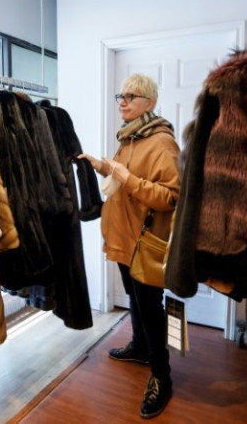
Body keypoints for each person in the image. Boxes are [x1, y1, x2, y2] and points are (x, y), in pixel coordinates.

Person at [79, 74, 180, 419]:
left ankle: (162, 377)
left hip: (144, 243)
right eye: (120, 95)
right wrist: (104, 167)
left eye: (130, 96)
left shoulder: (161, 142)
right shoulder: (131, 136)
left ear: (149, 103)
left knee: (151, 309)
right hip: (124, 239)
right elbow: (123, 178)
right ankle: (140, 347)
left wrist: (125, 177)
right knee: (136, 303)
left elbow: (171, 196)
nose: (122, 101)